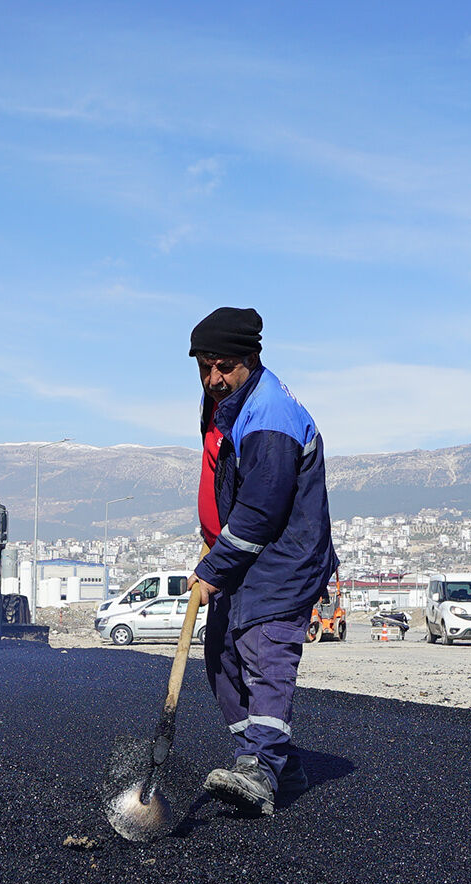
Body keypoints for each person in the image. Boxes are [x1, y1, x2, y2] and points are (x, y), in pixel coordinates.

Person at [186, 307, 338, 817]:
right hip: (246, 558)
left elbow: (260, 510)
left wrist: (213, 567)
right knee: (222, 657)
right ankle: (279, 763)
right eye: (204, 367)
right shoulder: (232, 401)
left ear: (250, 358)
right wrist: (213, 545)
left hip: (284, 558)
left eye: (223, 366)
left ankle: (259, 767)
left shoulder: (270, 412)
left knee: (264, 652)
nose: (213, 379)